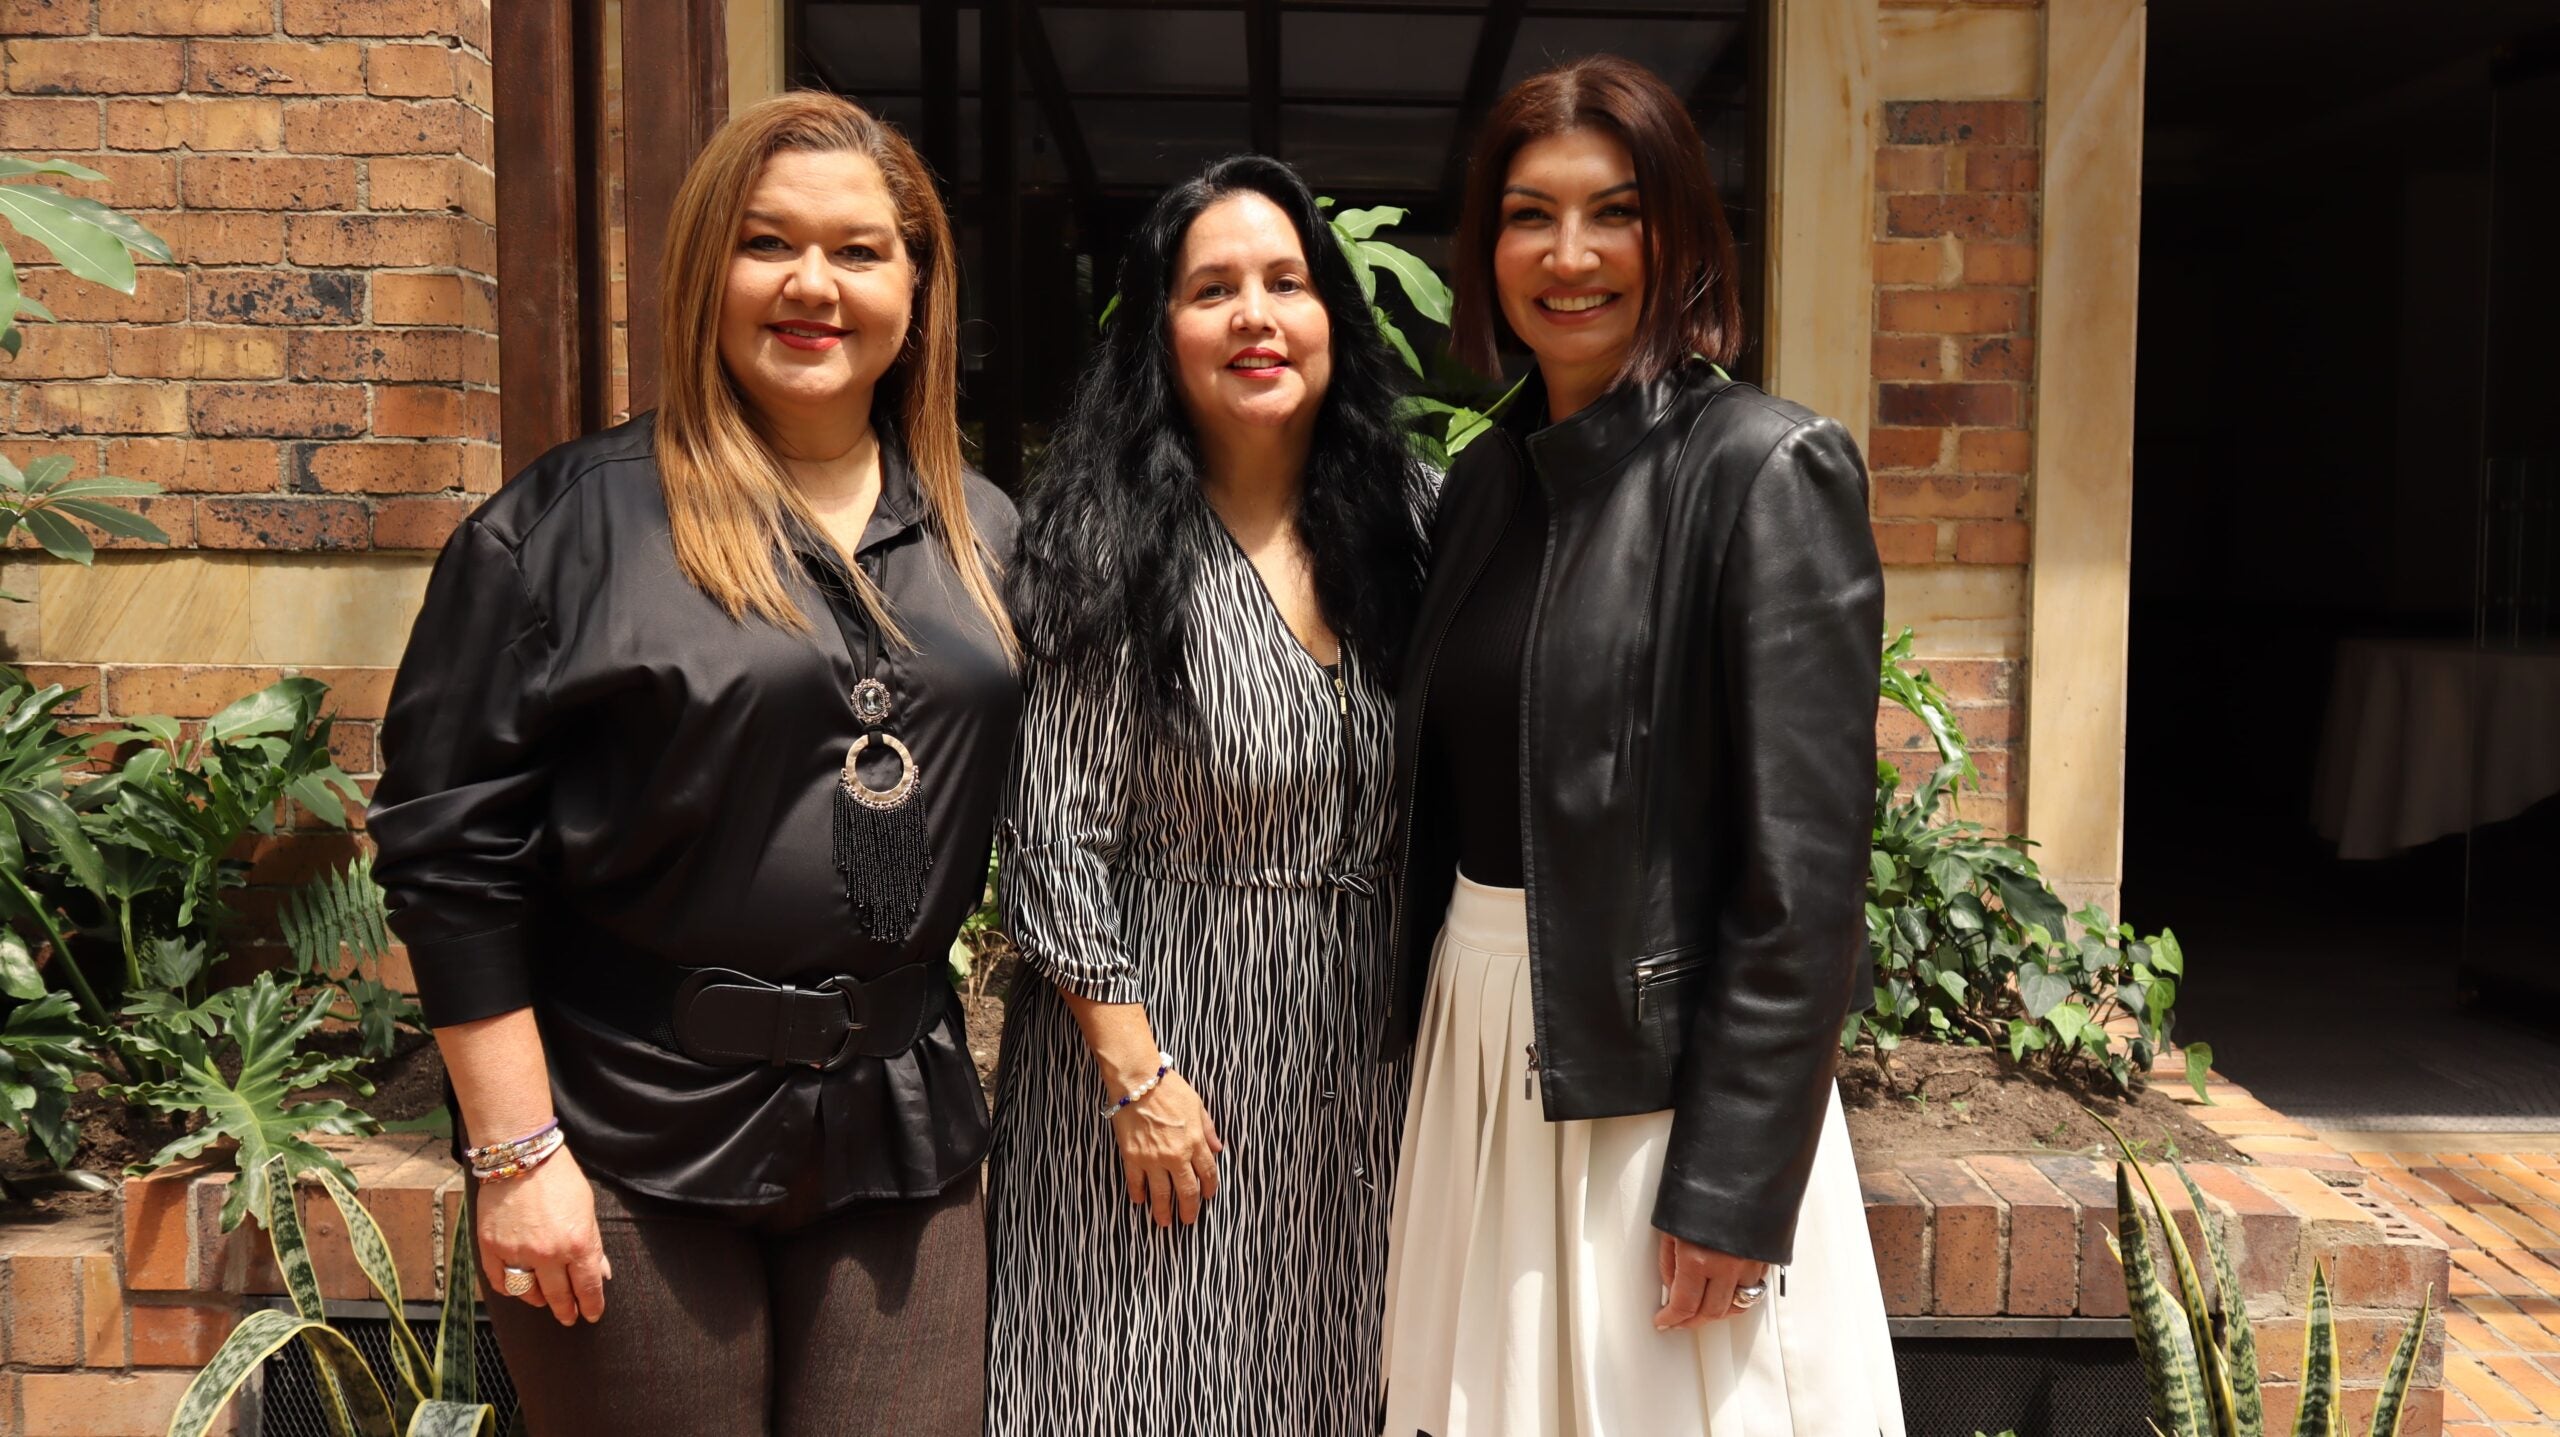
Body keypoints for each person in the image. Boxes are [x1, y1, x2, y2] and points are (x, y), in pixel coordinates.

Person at [369, 92, 1016, 1437]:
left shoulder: (988, 540)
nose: (811, 286)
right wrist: (514, 1157)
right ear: (704, 270)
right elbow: (447, 858)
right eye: (767, 243)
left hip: (900, 1133)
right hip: (622, 1135)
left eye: (858, 250)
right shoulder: (559, 532)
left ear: (917, 285)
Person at [1376, 56, 1907, 1436]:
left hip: (1654, 1080)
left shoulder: (1765, 467)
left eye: (1613, 213)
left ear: (1678, 236)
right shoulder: (1487, 483)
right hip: (1482, 1043)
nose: (1568, 256)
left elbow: (1806, 878)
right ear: (1483, 244)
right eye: (1526, 214)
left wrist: (1736, 1181)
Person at [986, 154, 1431, 1436]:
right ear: (1160, 334)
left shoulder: (1413, 526)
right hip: (1155, 1046)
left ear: (1331, 316)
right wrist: (1139, 1082)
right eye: (1212, 289)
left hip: (1357, 1058)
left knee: (1334, 1367)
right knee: (1142, 1378)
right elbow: (1055, 835)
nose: (1255, 316)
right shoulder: (1105, 538)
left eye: (1285, 282)